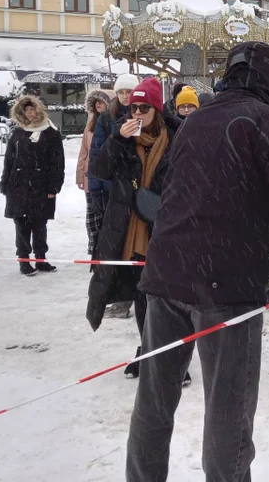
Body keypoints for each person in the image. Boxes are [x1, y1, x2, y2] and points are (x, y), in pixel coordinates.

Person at [126, 41, 269, 482]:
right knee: (228, 412)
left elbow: (182, 192)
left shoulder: (196, 120)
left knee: (154, 403)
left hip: (166, 274)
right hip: (227, 284)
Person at [86, 77, 186, 382]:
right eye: (134, 107)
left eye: (145, 107)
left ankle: (174, 359)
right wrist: (117, 139)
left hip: (168, 226)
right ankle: (147, 350)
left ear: (156, 108)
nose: (137, 112)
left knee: (169, 298)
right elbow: (98, 170)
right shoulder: (123, 136)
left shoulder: (177, 136)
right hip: (131, 227)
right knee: (143, 293)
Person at [89, 74, 139, 314]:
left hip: (139, 190)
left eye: (129, 92)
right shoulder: (107, 118)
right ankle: (121, 300)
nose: (125, 97)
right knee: (117, 246)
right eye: (121, 93)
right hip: (115, 189)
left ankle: (139, 297)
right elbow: (98, 155)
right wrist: (96, 188)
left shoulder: (144, 114)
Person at [0, 96, 65, 276]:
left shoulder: (51, 133)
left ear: (39, 110)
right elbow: (9, 160)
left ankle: (41, 259)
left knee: (39, 224)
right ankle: (24, 260)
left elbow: (57, 163)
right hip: (18, 186)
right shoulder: (18, 133)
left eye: (32, 109)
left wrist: (54, 186)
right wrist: (5, 182)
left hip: (41, 186)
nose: (30, 113)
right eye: (26, 110)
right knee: (21, 225)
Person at [77, 90, 111, 256]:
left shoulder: (112, 123)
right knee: (92, 216)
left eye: (102, 101)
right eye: (96, 102)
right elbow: (84, 152)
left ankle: (105, 248)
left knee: (107, 215)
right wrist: (79, 175)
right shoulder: (89, 125)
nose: (99, 104)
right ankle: (94, 247)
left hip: (107, 177)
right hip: (90, 177)